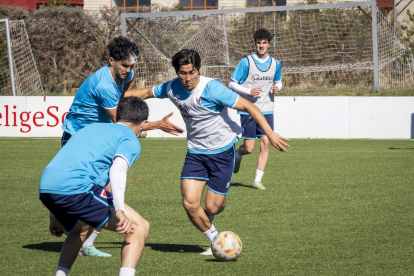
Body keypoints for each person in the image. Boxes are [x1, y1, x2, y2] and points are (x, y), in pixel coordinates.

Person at [124, 49, 290, 255]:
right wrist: (117, 97)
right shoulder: (172, 87)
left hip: (222, 152)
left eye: (192, 72)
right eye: (183, 73)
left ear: (199, 69)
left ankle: (219, 203)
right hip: (196, 153)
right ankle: (216, 241)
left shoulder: (212, 89)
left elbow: (249, 106)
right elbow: (147, 92)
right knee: (190, 203)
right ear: (176, 72)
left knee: (212, 208)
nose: (188, 78)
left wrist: (270, 133)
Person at [60, 36, 183, 257]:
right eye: (124, 65)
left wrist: (149, 94)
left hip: (100, 137)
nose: (128, 70)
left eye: (131, 66)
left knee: (104, 189)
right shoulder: (104, 85)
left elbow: (125, 101)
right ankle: (64, 223)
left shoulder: (129, 74)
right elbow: (123, 123)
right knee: (90, 191)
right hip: (78, 137)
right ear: (111, 60)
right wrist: (157, 125)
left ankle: (86, 242)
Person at [40, 96, 150, 276]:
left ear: (117, 117)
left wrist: (54, 215)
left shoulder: (91, 128)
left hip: (47, 187)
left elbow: (65, 164)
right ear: (143, 123)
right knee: (139, 227)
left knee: (81, 228)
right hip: (75, 189)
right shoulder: (130, 139)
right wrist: (119, 209)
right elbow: (118, 171)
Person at [228, 28, 283, 190]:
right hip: (249, 110)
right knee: (250, 148)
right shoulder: (246, 62)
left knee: (266, 143)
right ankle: (238, 154)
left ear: (269, 44)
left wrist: (278, 87)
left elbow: (279, 81)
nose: (261, 46)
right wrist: (248, 91)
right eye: (258, 43)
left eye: (264, 43)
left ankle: (257, 180)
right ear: (255, 44)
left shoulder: (275, 63)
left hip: (267, 109)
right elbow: (231, 83)